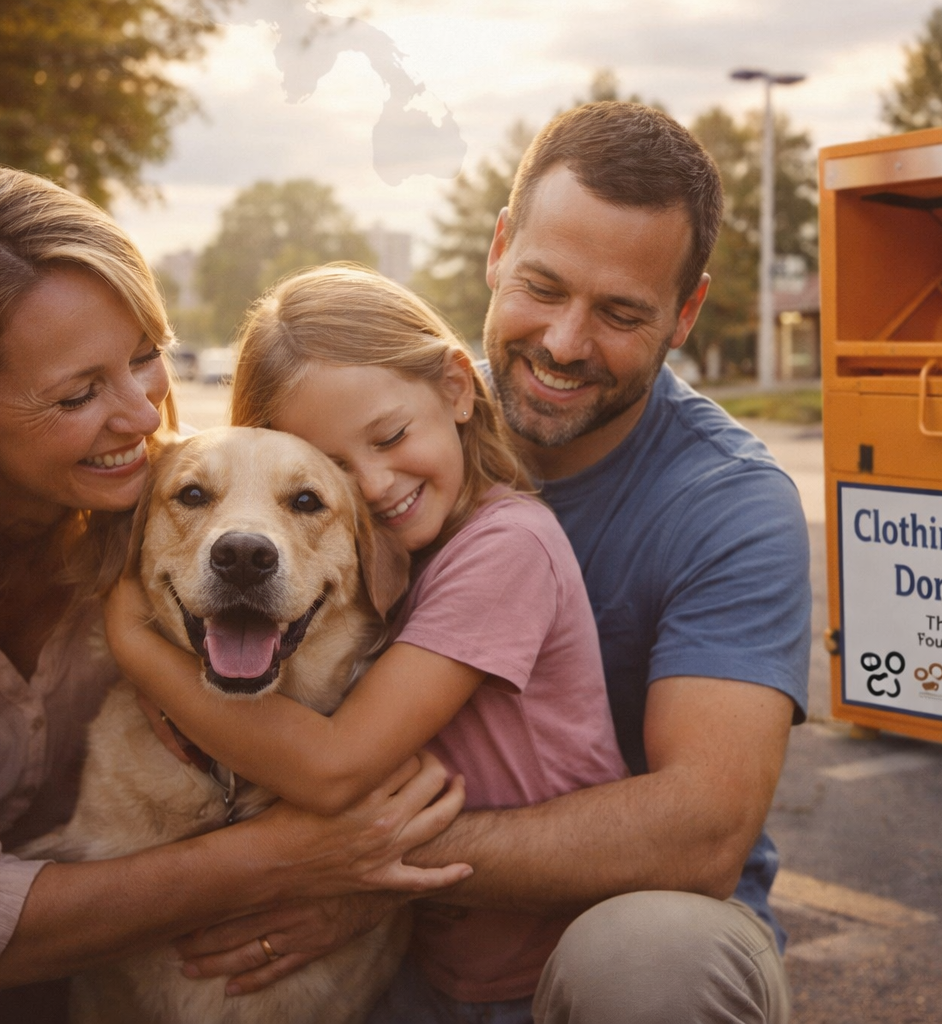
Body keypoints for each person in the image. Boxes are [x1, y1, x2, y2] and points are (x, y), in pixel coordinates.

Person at [0, 164, 467, 1024]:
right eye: (79, 392)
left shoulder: (140, 496)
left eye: (147, 360)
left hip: (71, 907)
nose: (144, 419)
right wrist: (296, 855)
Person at [174, 102, 812, 1023]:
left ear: (687, 313)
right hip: (417, 935)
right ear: (500, 246)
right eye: (543, 287)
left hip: (598, 920)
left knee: (651, 962)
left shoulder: (727, 504)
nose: (563, 343)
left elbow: (703, 833)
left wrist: (364, 872)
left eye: (621, 312)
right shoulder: (389, 417)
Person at [102, 264, 629, 1014]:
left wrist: (137, 645)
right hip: (427, 963)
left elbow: (332, 769)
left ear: (455, 389)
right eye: (336, 470)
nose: (375, 486)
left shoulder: (505, 546)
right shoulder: (398, 548)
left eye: (389, 437)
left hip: (531, 973)